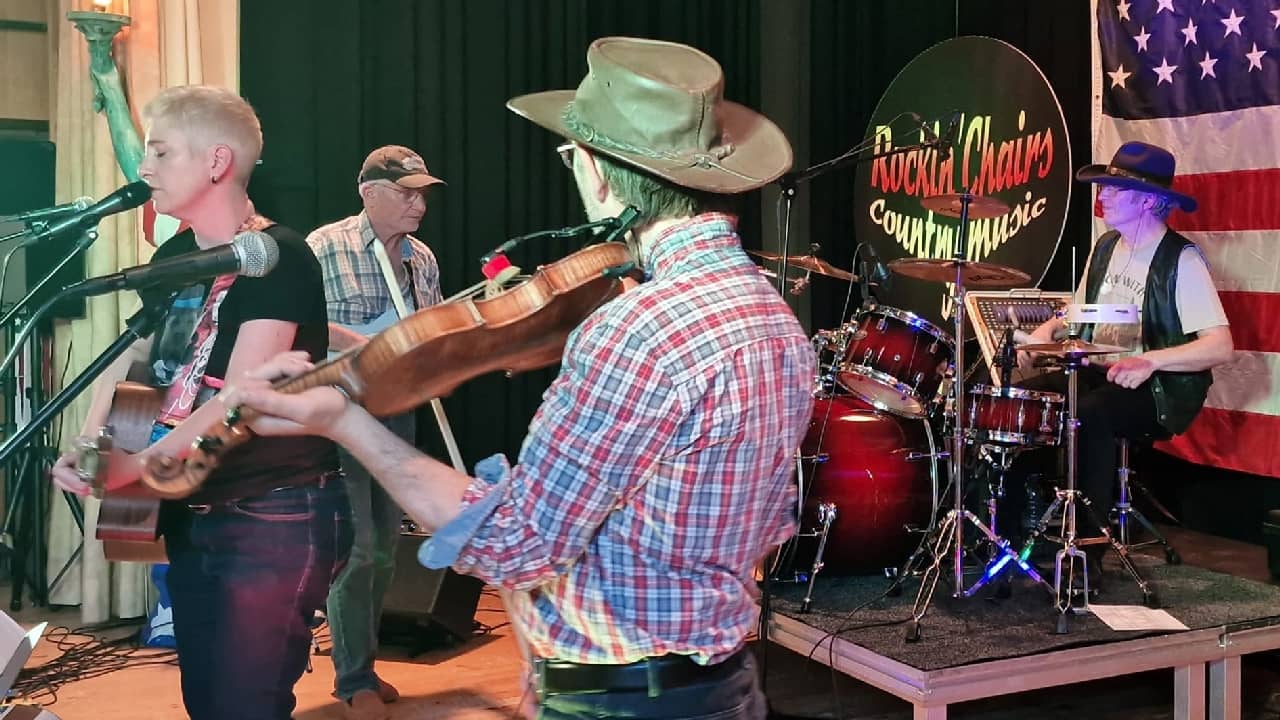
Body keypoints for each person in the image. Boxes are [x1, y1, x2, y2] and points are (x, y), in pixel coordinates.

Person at [226, 37, 816, 720]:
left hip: (620, 701)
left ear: (595, 171)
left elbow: (516, 546)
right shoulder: (776, 317)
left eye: (572, 156)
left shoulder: (635, 330)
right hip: (725, 687)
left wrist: (341, 418)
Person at [49, 85, 350, 720]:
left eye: (160, 151)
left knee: (246, 705)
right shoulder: (176, 255)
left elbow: (242, 401)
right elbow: (131, 358)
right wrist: (93, 441)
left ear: (215, 162)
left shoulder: (281, 258)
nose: (144, 168)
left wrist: (140, 467)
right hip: (195, 510)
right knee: (207, 703)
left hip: (271, 514)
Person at [1014, 141, 1233, 561]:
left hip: (1160, 389)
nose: (1103, 195)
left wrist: (1149, 360)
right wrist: (1048, 330)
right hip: (1103, 372)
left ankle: (1089, 549)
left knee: (1091, 413)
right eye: (1104, 187)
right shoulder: (1106, 247)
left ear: (1150, 200)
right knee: (1028, 399)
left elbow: (1220, 345)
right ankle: (1015, 524)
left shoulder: (1180, 261)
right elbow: (1083, 311)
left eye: (1116, 189)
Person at [305, 145, 445, 720]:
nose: (418, 204)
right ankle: (353, 677)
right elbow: (303, 324)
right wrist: (364, 343)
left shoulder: (421, 259)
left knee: (387, 549)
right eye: (406, 192)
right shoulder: (325, 246)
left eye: (422, 194)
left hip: (397, 409)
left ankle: (366, 663)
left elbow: (431, 326)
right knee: (358, 549)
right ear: (370, 193)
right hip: (341, 414)